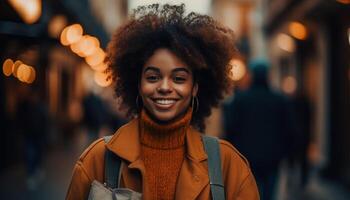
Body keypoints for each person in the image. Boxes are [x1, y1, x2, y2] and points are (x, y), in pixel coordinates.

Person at [66, 4, 259, 200]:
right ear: (138, 83)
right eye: (152, 77)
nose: (165, 87)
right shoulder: (98, 160)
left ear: (195, 88)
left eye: (179, 78)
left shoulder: (228, 166)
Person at [224, 59, 297, 200]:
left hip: (247, 158)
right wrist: (287, 155)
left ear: (251, 75)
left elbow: (230, 128)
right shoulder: (279, 100)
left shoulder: (241, 99)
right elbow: (290, 130)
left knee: (250, 194)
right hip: (272, 159)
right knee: (269, 194)